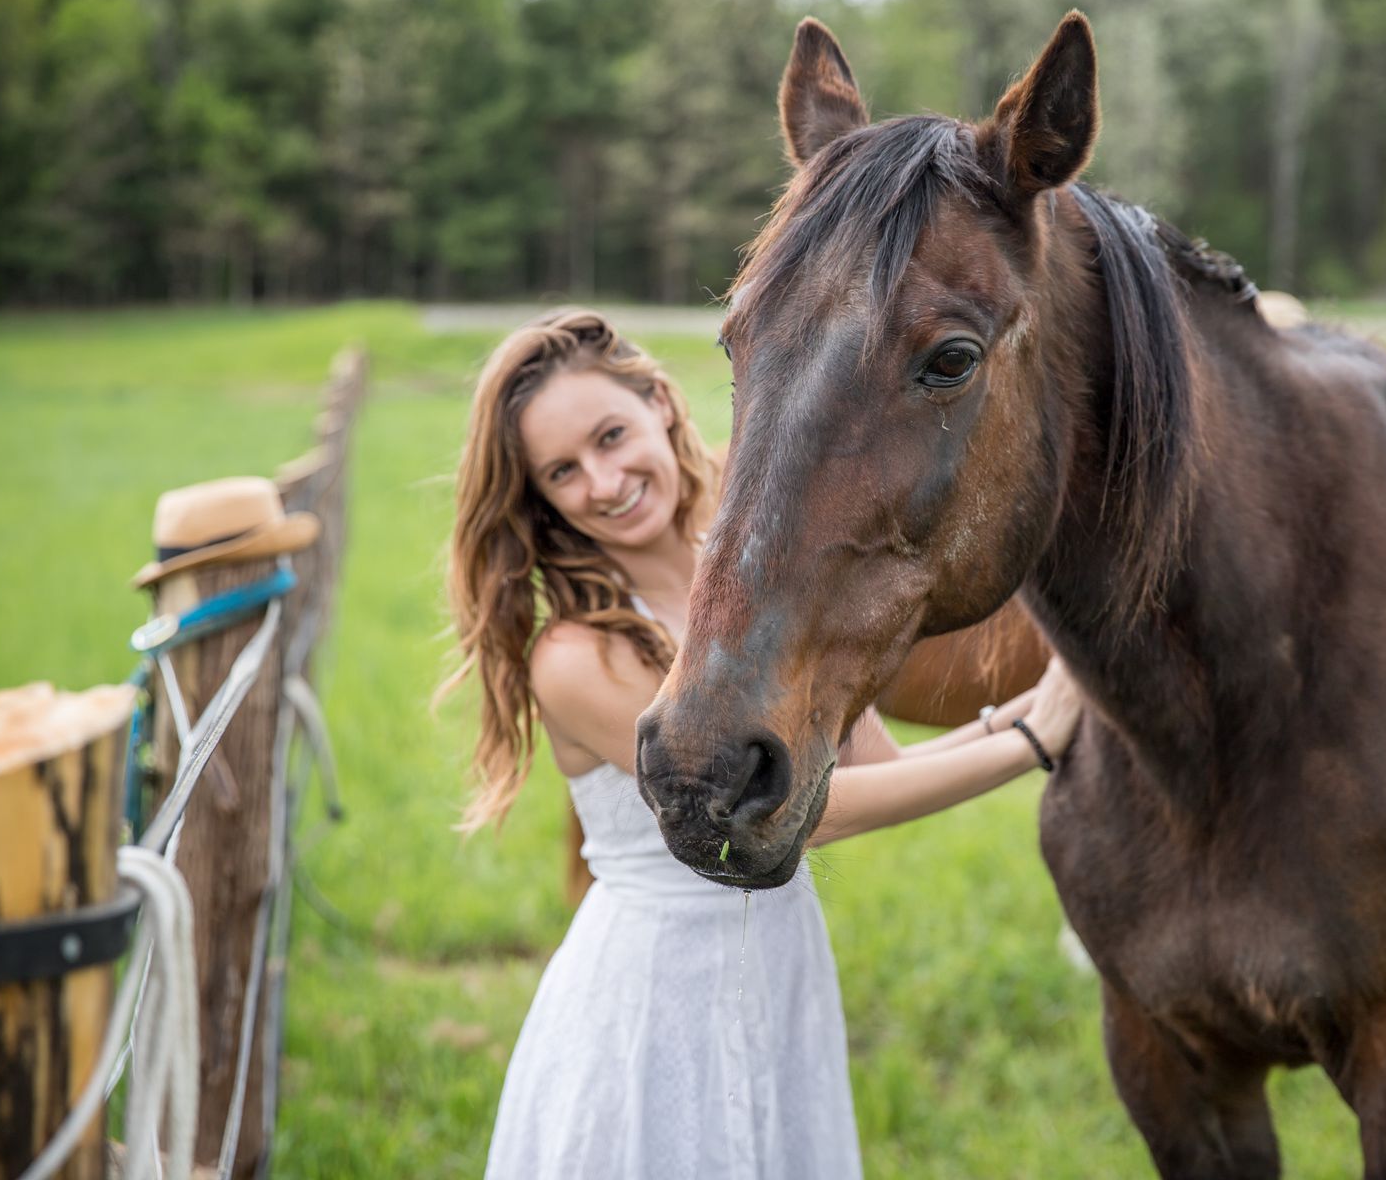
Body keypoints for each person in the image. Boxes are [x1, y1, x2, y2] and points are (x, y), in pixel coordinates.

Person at [444, 308, 1083, 1180]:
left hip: (777, 969)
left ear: (659, 405)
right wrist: (1031, 742)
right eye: (563, 470)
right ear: (541, 499)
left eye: (610, 436)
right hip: (656, 998)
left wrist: (1030, 711)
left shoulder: (758, 588)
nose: (603, 480)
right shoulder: (577, 657)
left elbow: (878, 769)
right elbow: (805, 813)